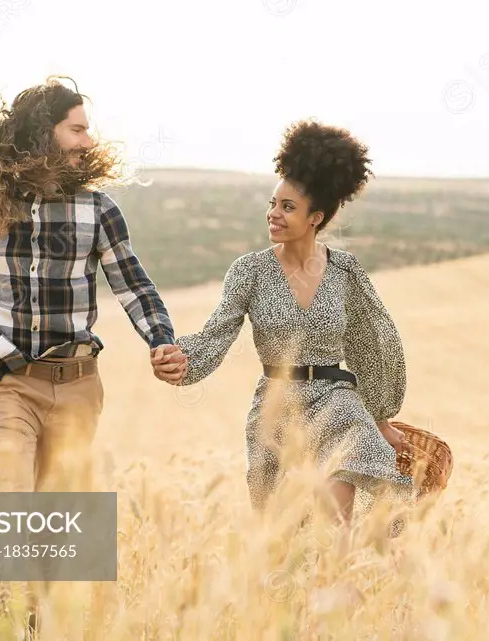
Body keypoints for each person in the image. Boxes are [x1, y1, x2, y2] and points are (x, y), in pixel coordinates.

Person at [0, 76, 186, 638]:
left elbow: (132, 284)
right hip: (5, 383)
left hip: (77, 387)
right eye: (77, 129)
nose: (88, 141)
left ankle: (36, 625)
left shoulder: (99, 211)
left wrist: (161, 338)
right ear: (43, 133)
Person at [151, 119, 414, 527]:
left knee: (337, 510)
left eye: (288, 207)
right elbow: (216, 333)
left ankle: (341, 579)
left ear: (316, 218)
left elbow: (373, 342)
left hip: (336, 401)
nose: (274, 214)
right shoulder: (250, 271)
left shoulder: (345, 271)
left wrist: (379, 416)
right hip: (276, 403)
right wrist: (183, 361)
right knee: (282, 530)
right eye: (273, 204)